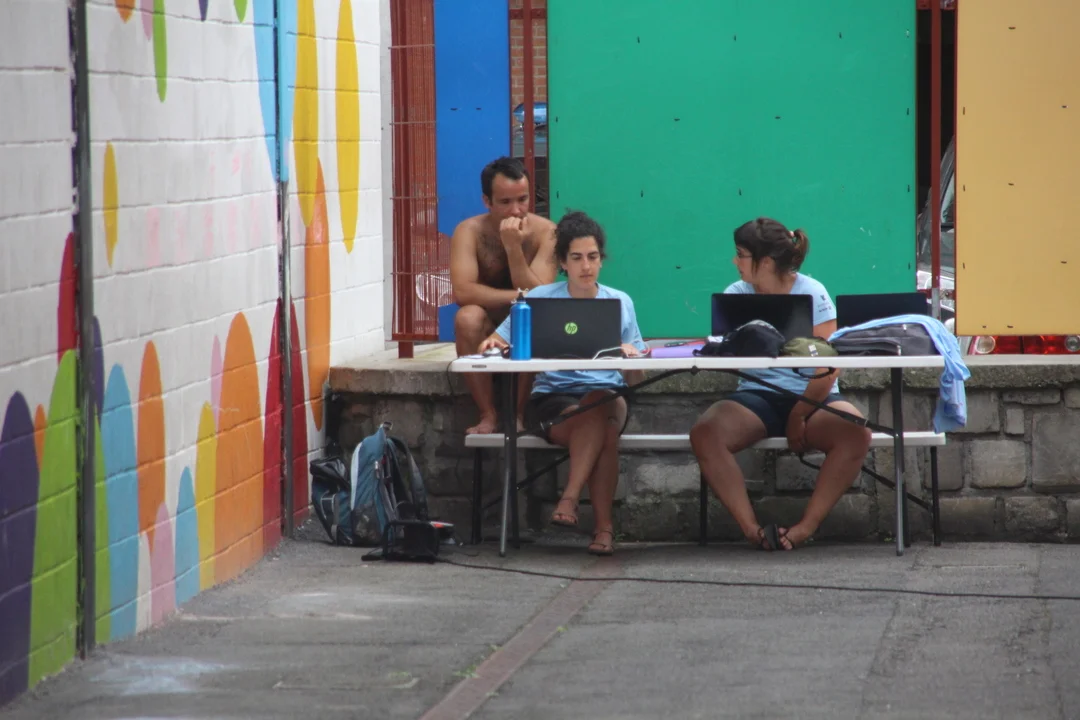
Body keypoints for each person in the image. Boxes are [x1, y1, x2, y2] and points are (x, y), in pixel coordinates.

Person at [689, 217, 872, 551]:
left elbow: (829, 367)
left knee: (856, 431)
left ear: (766, 262)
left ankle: (806, 527)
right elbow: (725, 353)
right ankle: (751, 530)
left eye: (741, 254)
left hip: (814, 399)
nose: (734, 261)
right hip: (756, 396)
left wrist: (798, 414)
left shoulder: (812, 292)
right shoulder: (736, 294)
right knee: (706, 432)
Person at [479, 211, 646, 555]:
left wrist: (630, 358)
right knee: (604, 426)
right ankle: (603, 530)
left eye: (593, 257)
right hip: (554, 400)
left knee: (600, 400)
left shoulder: (620, 302)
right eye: (577, 258)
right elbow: (495, 341)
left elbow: (636, 379)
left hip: (608, 395)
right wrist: (493, 343)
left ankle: (569, 499)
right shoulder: (540, 300)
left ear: (602, 259)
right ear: (562, 263)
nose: (586, 266)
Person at [450, 157, 558, 434]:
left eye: (523, 199)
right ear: (487, 201)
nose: (516, 210)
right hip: (487, 324)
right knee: (467, 317)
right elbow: (463, 291)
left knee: (530, 317)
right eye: (505, 202)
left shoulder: (547, 232)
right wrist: (520, 296)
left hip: (530, 326)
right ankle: (488, 415)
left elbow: (541, 297)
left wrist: (513, 249)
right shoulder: (469, 231)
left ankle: (517, 415)